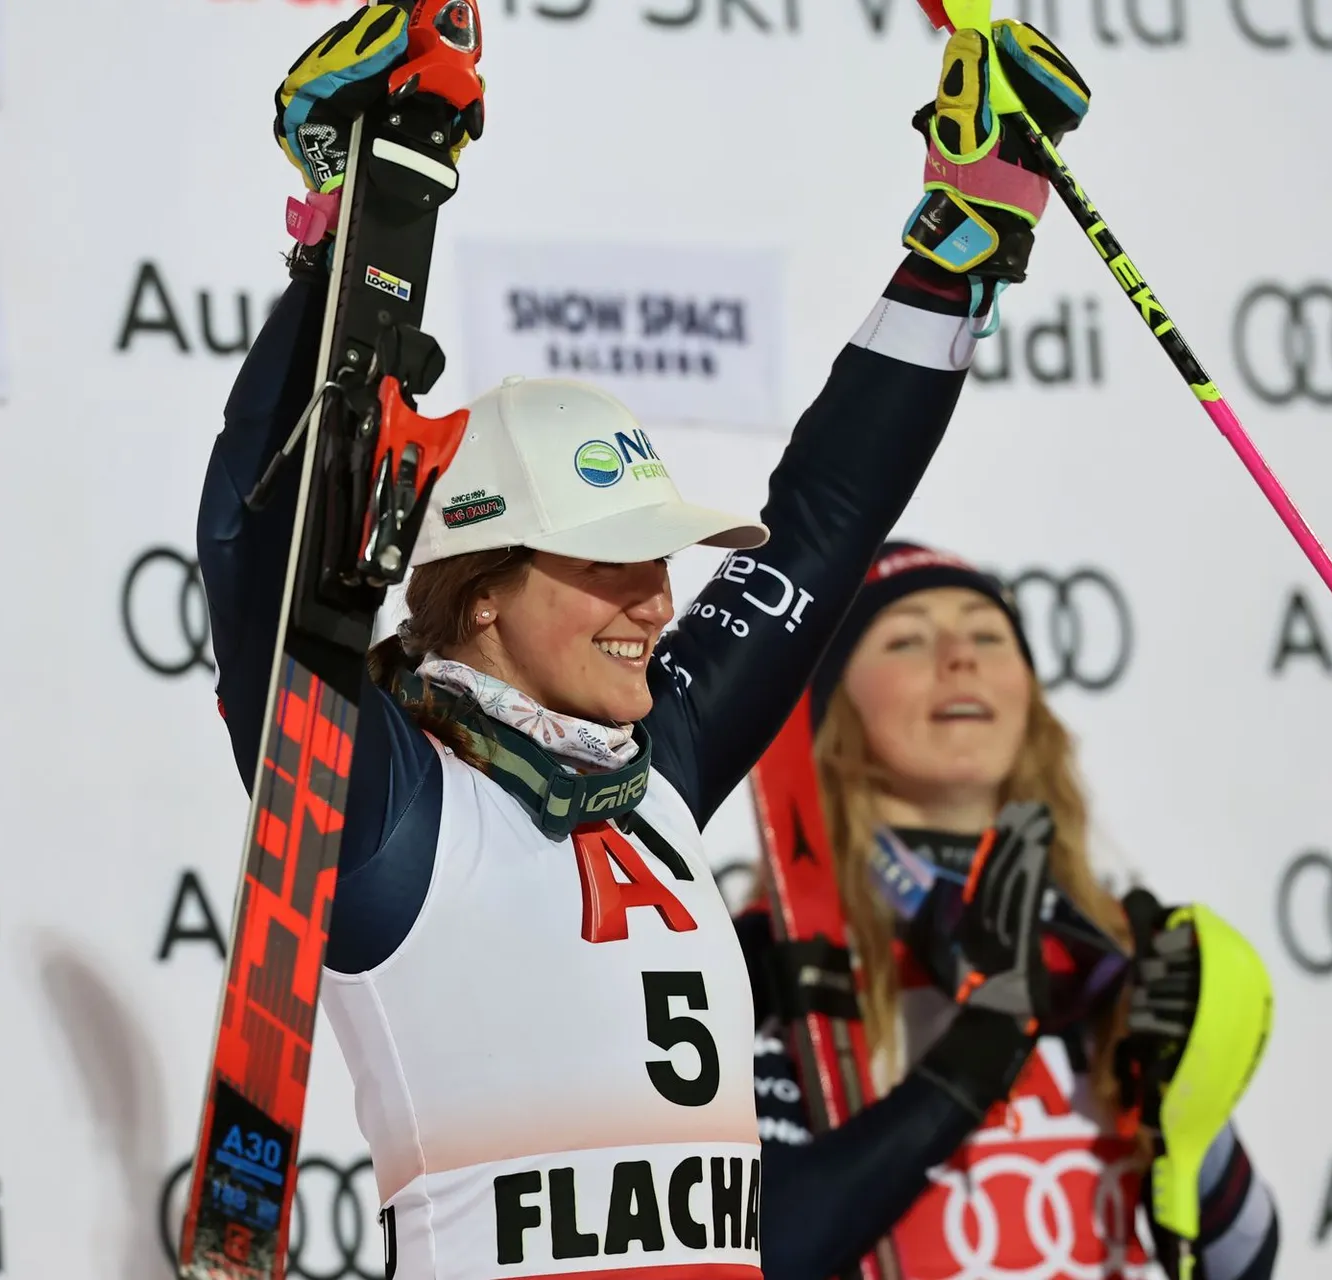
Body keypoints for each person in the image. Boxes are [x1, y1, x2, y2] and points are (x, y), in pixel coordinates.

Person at [195, 9, 1098, 1278]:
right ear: (484, 592)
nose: (656, 604)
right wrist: (342, 251)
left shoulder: (654, 769)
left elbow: (824, 525)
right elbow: (253, 556)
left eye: (659, 562)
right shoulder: (389, 809)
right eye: (606, 564)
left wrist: (965, 242)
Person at [743, 543, 1281, 1280]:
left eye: (988, 634)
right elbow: (755, 1253)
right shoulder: (769, 957)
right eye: (907, 640)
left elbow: (1242, 1263)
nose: (960, 656)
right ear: (834, 701)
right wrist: (977, 1052)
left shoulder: (1108, 950)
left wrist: (1189, 1101)